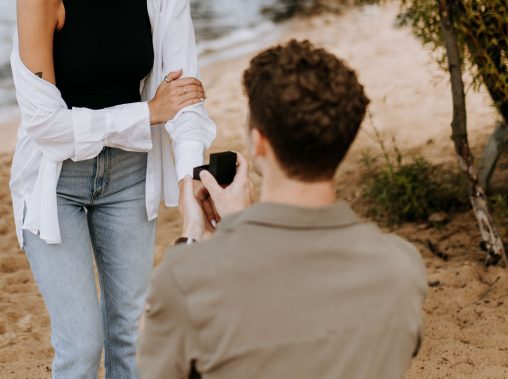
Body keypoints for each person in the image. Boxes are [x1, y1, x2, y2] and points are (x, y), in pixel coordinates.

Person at [9, 0, 217, 378]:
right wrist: (145, 113)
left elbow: (184, 96)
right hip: (55, 185)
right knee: (80, 346)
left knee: (132, 334)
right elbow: (49, 129)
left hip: (130, 177)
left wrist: (194, 170)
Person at [138, 40, 427, 379]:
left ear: (259, 142)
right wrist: (240, 228)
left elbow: (155, 364)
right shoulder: (400, 268)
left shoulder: (191, 278)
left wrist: (191, 236)